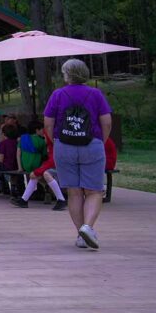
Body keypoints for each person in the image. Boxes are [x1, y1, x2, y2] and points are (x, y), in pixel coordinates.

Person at [44, 58, 112, 250]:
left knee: (73, 192)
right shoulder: (96, 94)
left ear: (67, 74)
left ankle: (81, 236)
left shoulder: (57, 94)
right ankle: (87, 227)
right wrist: (100, 141)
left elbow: (48, 124)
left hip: (64, 146)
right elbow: (106, 122)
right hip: (92, 144)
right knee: (94, 190)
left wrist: (57, 140)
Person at [10, 120, 67, 210]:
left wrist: (38, 171)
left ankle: (61, 199)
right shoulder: (51, 142)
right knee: (37, 175)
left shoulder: (52, 143)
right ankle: (24, 200)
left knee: (44, 174)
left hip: (62, 165)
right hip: (58, 164)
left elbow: (53, 160)